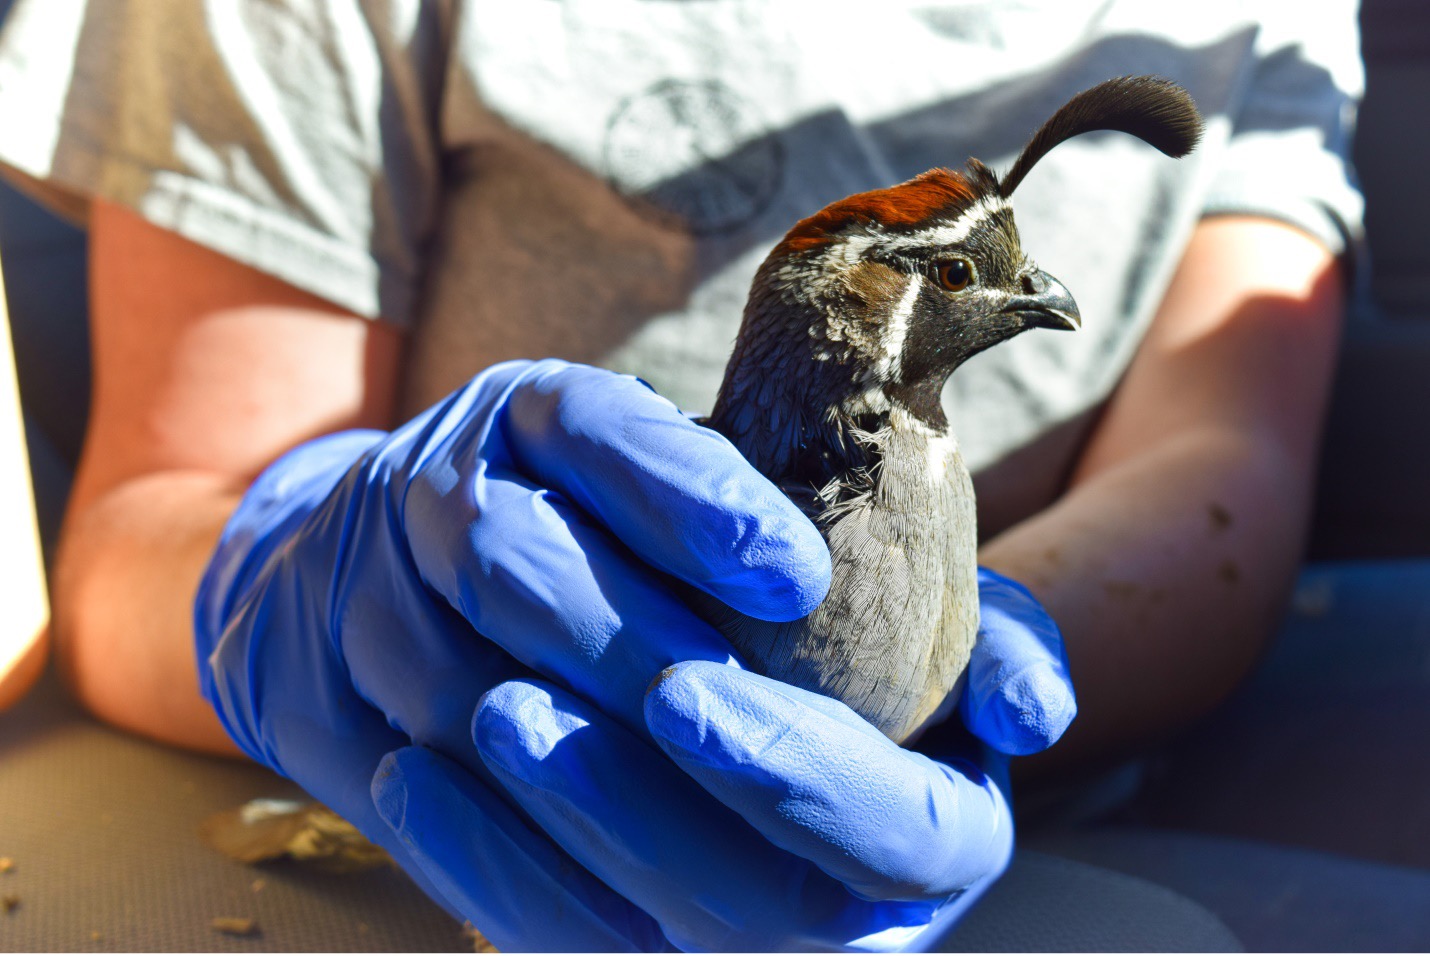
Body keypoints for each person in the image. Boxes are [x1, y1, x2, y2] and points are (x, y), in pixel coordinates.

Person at [0, 0, 1366, 949]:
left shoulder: (1239, 20)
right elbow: (152, 522)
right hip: (447, 778)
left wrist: (940, 693)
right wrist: (288, 569)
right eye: (957, 276)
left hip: (1046, 826)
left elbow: (1216, 466)